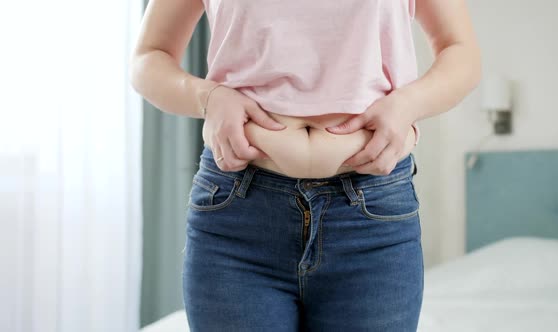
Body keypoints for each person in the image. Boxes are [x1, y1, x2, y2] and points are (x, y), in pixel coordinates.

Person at [130, 0, 480, 331]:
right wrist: (207, 97)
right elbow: (150, 56)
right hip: (238, 218)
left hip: (371, 220)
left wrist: (409, 103)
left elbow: (460, 50)